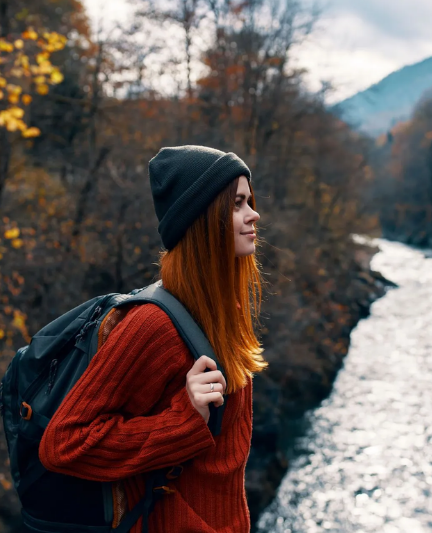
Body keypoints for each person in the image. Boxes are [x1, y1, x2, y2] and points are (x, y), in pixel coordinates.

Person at [38, 145, 267, 532]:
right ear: (202, 220)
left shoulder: (227, 312)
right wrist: (183, 420)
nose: (253, 214)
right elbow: (64, 443)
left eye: (249, 201)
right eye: (237, 204)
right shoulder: (153, 326)